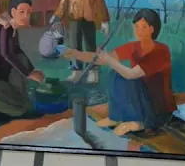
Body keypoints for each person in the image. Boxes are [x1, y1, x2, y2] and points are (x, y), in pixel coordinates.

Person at [63, 8, 176, 136]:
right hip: (142, 101)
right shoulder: (134, 47)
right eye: (136, 26)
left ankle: (138, 122)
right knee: (115, 74)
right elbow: (102, 59)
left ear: (152, 29)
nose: (138, 31)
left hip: (158, 111)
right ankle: (116, 117)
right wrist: (77, 54)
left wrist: (110, 60)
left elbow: (132, 74)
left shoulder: (160, 51)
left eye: (143, 27)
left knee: (128, 77)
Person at [51, 0, 110, 83]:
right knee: (74, 45)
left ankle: (93, 71)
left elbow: (100, 3)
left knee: (90, 46)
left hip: (89, 19)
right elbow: (64, 0)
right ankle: (76, 71)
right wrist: (58, 14)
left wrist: (104, 20)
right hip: (74, 18)